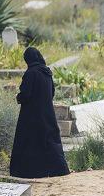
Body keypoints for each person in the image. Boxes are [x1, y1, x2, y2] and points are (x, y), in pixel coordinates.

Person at [9, 47, 70, 178]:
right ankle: (58, 169)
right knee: (49, 140)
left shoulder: (31, 73)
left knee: (29, 142)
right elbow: (52, 92)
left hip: (31, 116)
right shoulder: (47, 72)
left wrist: (18, 97)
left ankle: (30, 172)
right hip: (47, 113)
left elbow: (25, 94)